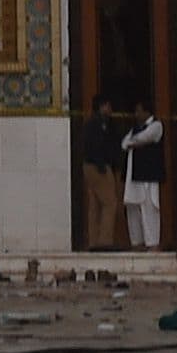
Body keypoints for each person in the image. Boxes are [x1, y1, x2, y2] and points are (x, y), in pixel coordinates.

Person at [77, 94, 126, 252]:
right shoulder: (98, 124)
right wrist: (103, 165)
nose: (110, 110)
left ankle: (94, 241)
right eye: (108, 106)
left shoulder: (93, 124)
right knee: (109, 202)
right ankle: (104, 241)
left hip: (89, 166)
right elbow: (97, 146)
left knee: (95, 204)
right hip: (98, 167)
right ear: (102, 106)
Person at [122, 98, 164, 253]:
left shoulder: (156, 126)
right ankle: (137, 242)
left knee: (149, 208)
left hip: (148, 175)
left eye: (139, 110)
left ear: (147, 112)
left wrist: (134, 142)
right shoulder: (135, 129)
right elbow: (125, 143)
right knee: (133, 207)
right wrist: (133, 142)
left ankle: (152, 243)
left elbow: (144, 138)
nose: (136, 114)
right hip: (134, 175)